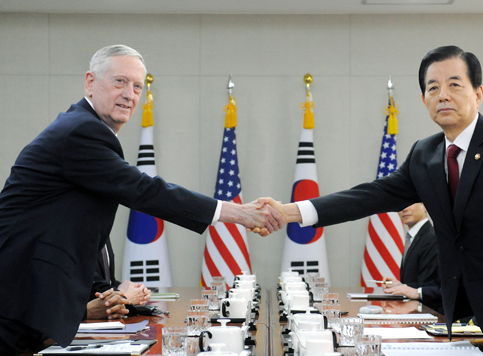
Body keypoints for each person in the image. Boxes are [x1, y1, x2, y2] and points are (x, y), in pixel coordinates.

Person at [259, 45, 483, 355]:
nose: (443, 95)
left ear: (478, 94)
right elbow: (368, 197)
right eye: (433, 87)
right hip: (464, 319)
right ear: (423, 99)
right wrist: (290, 212)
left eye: (454, 85)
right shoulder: (425, 154)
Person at [0, 44, 284, 355]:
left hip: (28, 299)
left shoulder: (85, 129)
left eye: (138, 86)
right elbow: (145, 190)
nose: (130, 94)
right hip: (16, 297)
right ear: (90, 83)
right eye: (119, 81)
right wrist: (239, 213)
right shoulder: (80, 131)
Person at [91, 238, 151, 305]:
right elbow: (89, 282)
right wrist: (124, 297)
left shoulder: (104, 235)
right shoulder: (81, 234)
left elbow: (107, 279)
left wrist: (122, 286)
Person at [396, 203, 438, 284]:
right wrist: (399, 286)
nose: (404, 209)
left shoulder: (432, 238)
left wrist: (404, 288)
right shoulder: (412, 237)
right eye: (400, 205)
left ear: (424, 206)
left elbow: (430, 283)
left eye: (409, 203)